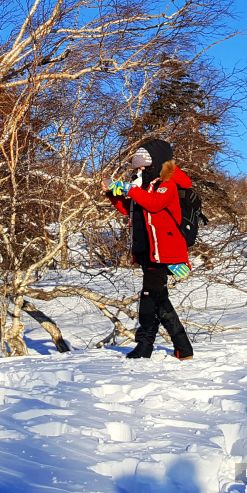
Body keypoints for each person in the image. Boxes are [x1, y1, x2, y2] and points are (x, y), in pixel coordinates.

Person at [104, 138, 194, 360]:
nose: (140, 171)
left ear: (157, 163)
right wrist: (113, 194)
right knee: (159, 299)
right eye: (138, 168)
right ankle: (183, 347)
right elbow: (131, 210)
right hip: (146, 250)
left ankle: (144, 346)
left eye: (144, 167)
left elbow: (155, 204)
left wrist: (129, 189)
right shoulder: (141, 188)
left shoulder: (168, 184)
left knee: (148, 297)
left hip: (164, 252)